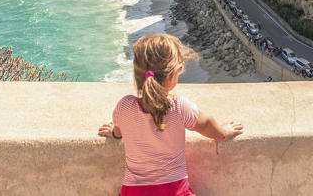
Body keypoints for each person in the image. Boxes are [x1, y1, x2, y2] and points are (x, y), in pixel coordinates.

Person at [98, 34, 243, 196]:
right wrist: (223, 132)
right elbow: (208, 124)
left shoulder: (124, 107)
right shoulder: (180, 107)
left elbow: (118, 132)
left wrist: (112, 133)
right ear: (172, 75)